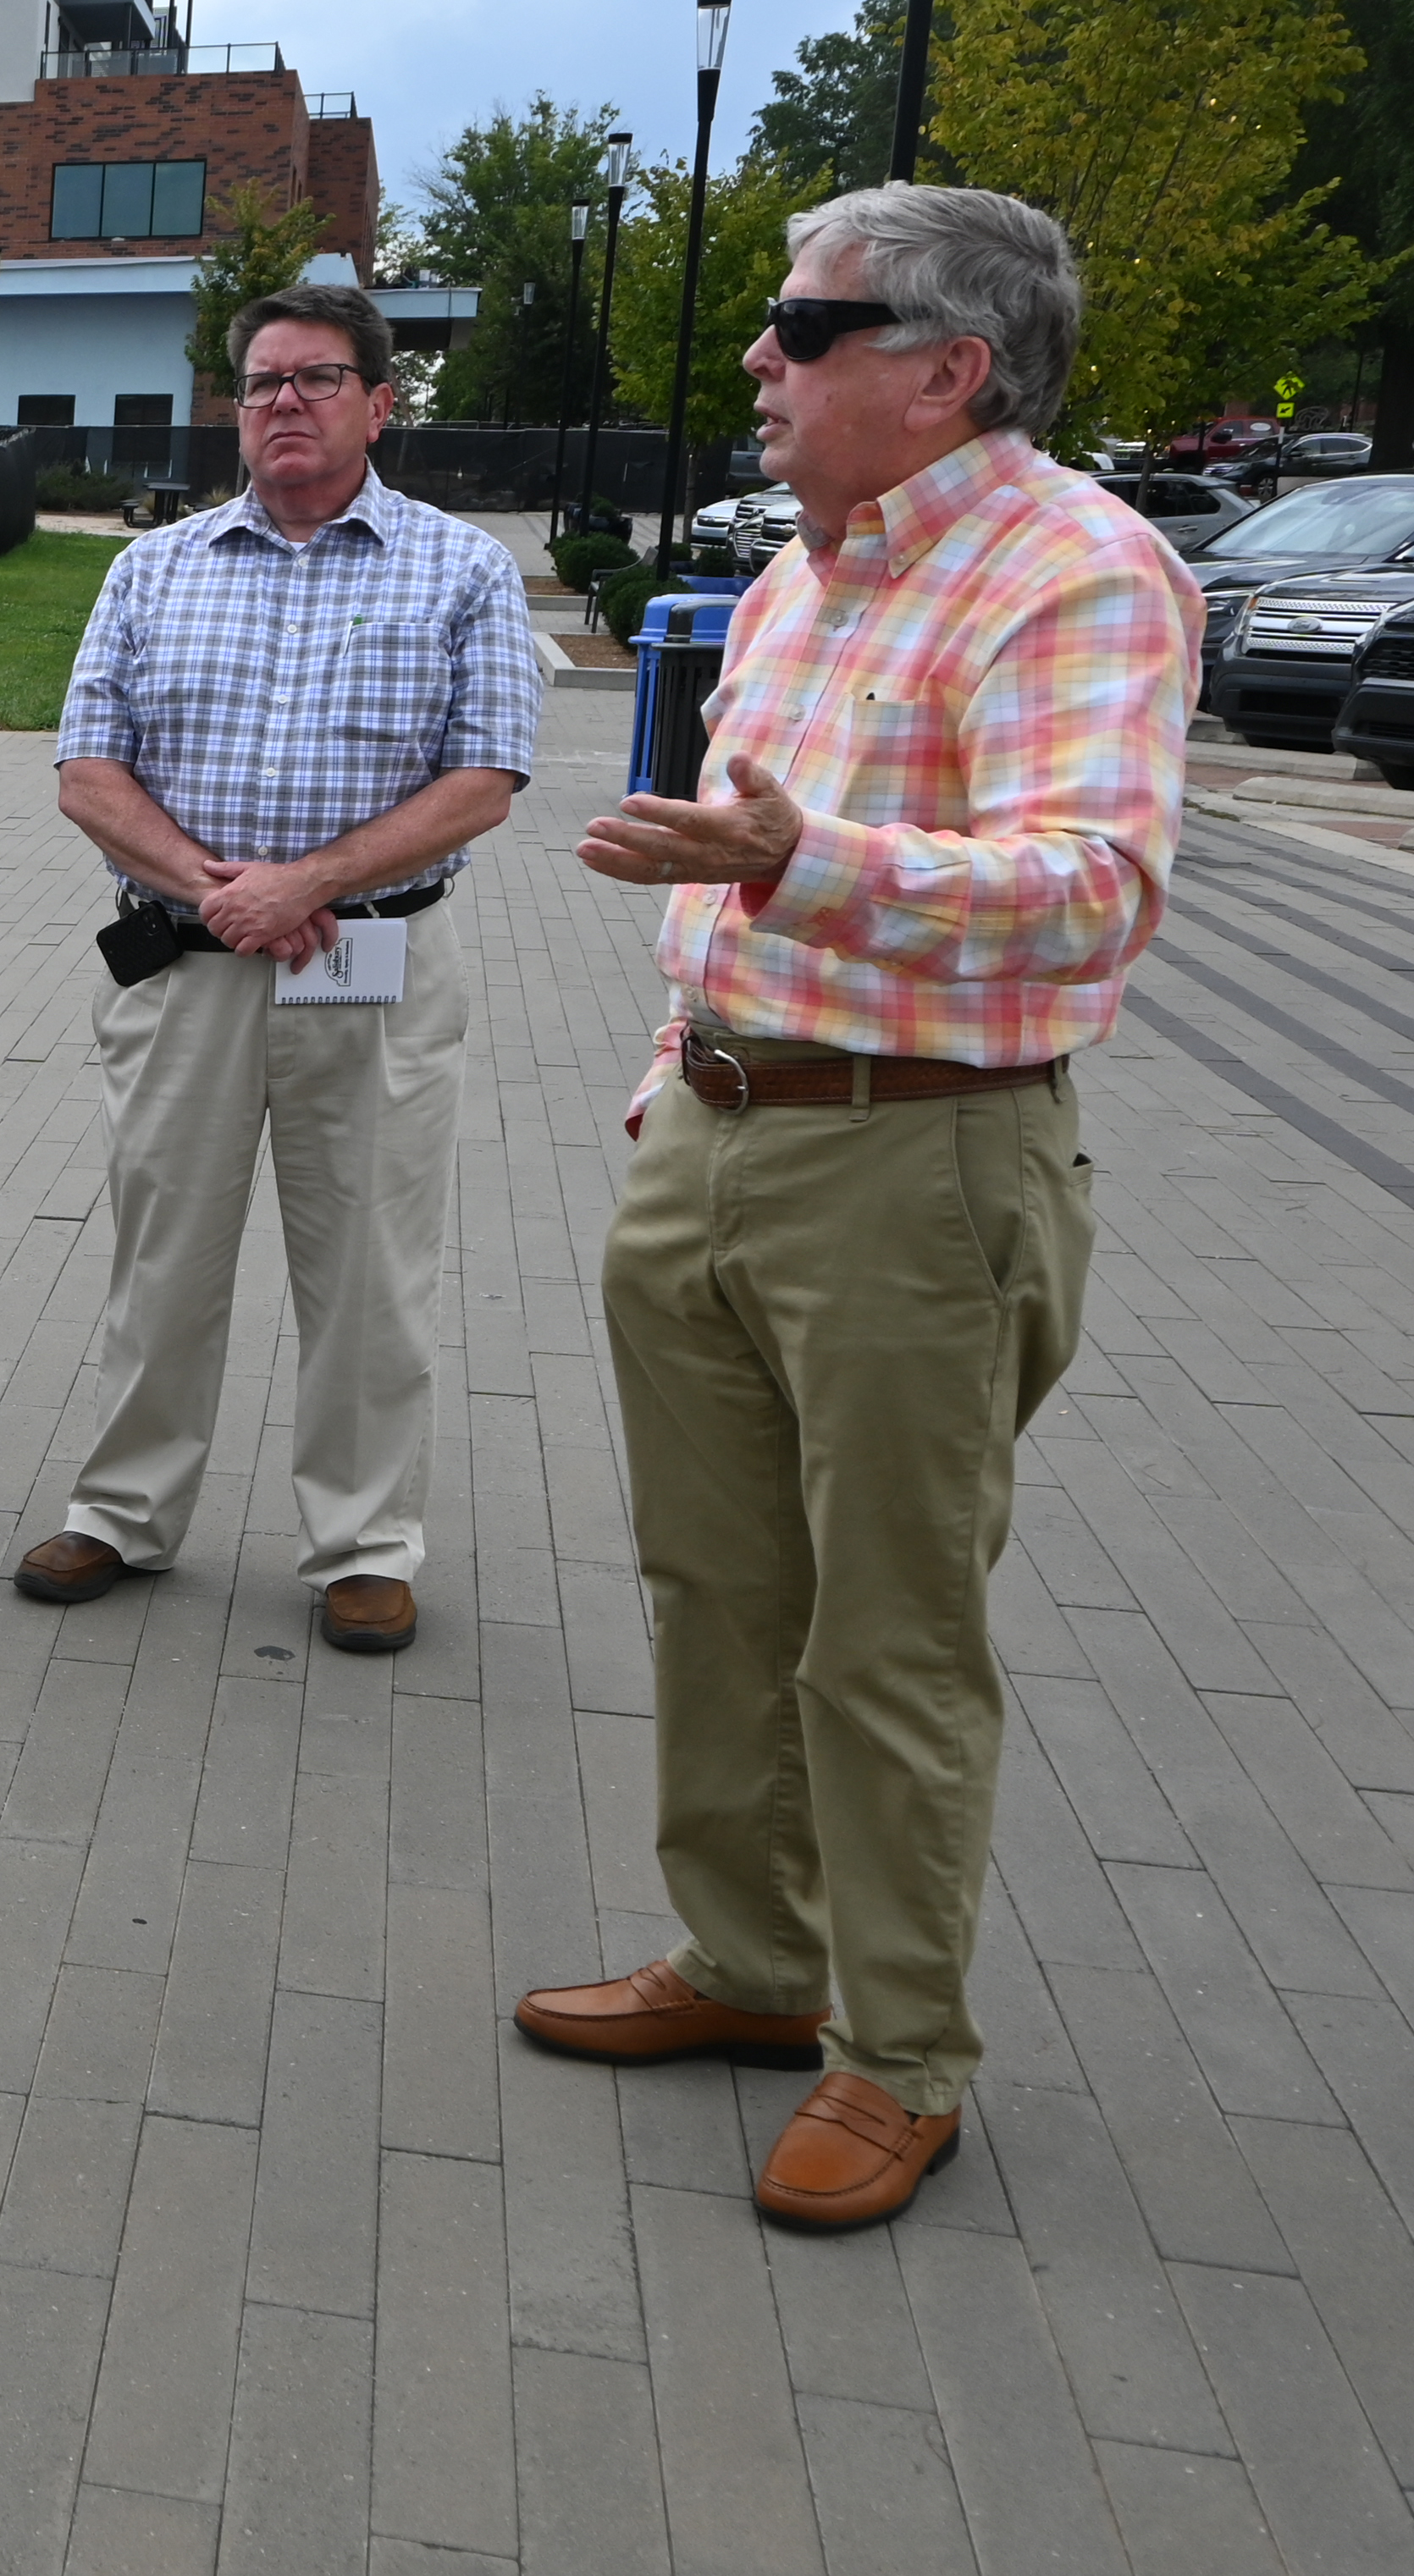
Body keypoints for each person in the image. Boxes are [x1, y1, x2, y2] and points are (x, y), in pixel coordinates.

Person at [516, 185, 1187, 2232]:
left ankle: (897, 2056)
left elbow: (1092, 885)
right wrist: (668, 1079)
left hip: (917, 1160)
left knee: (885, 1640)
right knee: (713, 1593)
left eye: (800, 330)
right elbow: (741, 859)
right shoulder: (803, 572)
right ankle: (743, 1962)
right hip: (716, 1127)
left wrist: (812, 864)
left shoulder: (1076, 570)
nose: (756, 360)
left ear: (941, 367)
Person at [13, 282, 542, 1654]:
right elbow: (84, 770)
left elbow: (485, 779)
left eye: (313, 380)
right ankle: (125, 1512)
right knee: (159, 1251)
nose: (282, 405)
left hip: (367, 961)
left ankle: (362, 1544)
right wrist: (226, 892)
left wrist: (312, 882)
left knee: (366, 1263)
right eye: (259, 384)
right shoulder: (154, 567)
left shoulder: (461, 569)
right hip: (183, 963)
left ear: (377, 402)